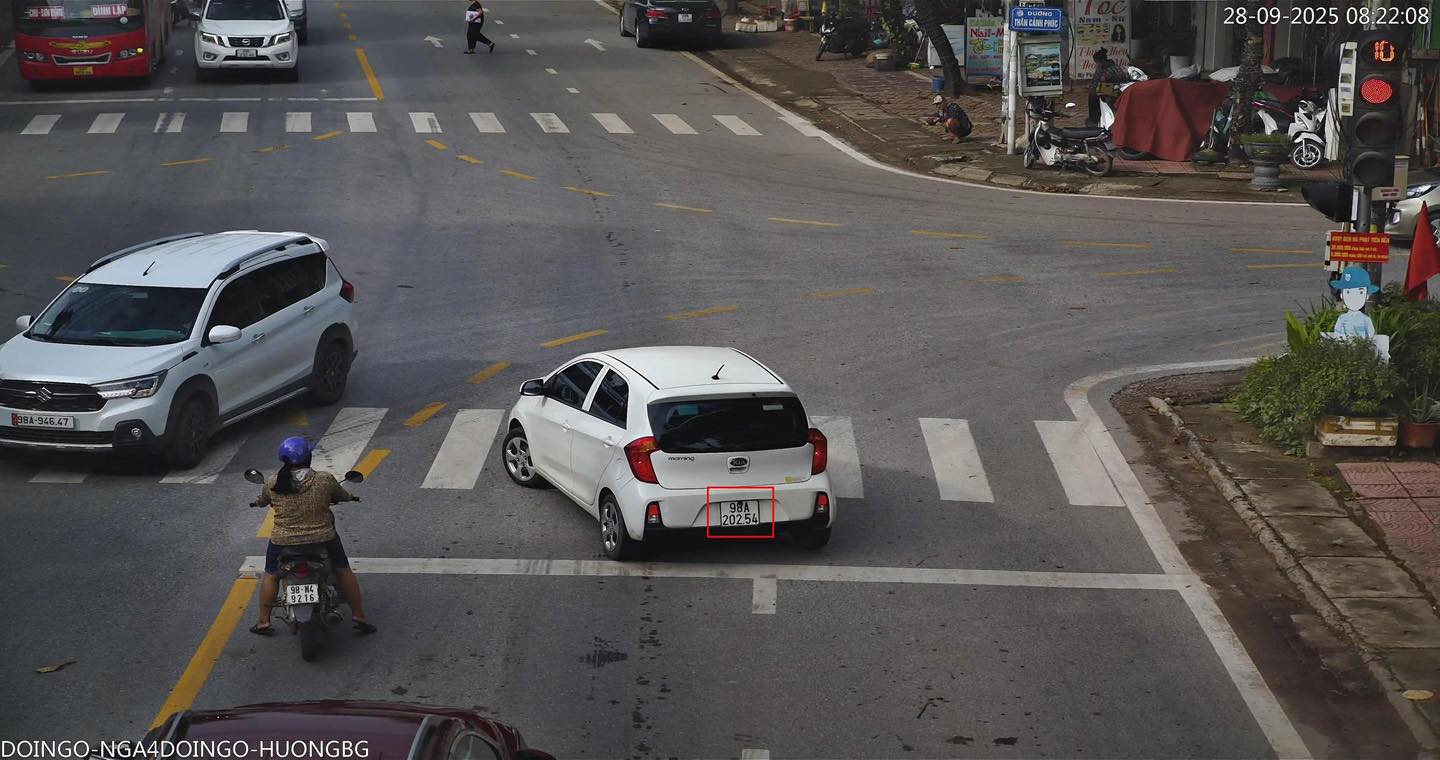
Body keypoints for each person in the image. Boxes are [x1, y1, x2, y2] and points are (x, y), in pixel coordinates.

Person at [249, 436, 376, 636]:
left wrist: (258, 502)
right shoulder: (324, 479)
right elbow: (342, 495)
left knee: (272, 575)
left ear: (283, 460)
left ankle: (264, 621)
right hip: (323, 538)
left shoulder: (273, 482)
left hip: (283, 541)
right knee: (343, 570)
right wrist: (351, 497)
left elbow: (263, 500)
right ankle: (359, 615)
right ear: (308, 457)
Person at [1088, 48, 1129, 125]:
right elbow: (1095, 80)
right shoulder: (1100, 68)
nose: (1097, 64)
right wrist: (1092, 87)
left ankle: (1095, 118)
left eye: (1098, 62)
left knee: (1095, 95)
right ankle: (1094, 118)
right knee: (1092, 95)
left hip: (1116, 88)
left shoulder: (1113, 68)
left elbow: (1122, 79)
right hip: (1105, 88)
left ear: (1103, 61)